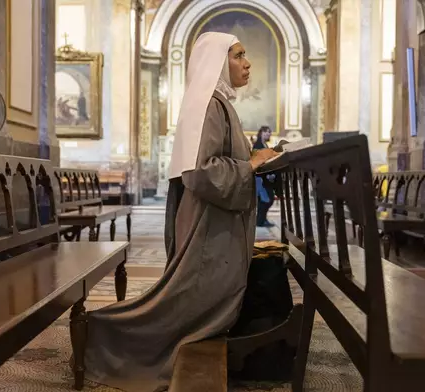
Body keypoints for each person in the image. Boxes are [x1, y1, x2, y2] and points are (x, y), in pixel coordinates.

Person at [81, 32, 278, 392]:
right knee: (187, 300)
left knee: (192, 299)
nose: (247, 63)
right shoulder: (210, 105)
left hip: (214, 216)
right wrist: (252, 163)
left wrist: (254, 162)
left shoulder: (219, 104)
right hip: (209, 221)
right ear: (217, 62)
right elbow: (202, 171)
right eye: (238, 55)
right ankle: (106, 335)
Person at [253, 126, 276, 227]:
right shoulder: (258, 145)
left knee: (267, 199)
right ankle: (260, 221)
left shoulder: (264, 145)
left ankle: (262, 219)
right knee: (266, 199)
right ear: (261, 132)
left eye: (270, 133)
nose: (269, 134)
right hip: (260, 177)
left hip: (265, 177)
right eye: (267, 132)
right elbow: (259, 162)